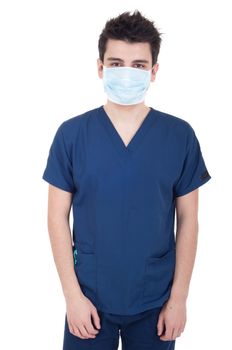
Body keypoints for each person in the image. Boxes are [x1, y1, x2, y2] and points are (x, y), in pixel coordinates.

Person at [42, 9, 212, 350]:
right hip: (89, 298)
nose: (126, 73)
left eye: (138, 65)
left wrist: (178, 299)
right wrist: (72, 297)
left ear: (154, 71)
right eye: (116, 63)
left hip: (155, 301)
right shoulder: (72, 135)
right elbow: (56, 216)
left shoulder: (179, 136)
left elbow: (189, 219)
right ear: (100, 67)